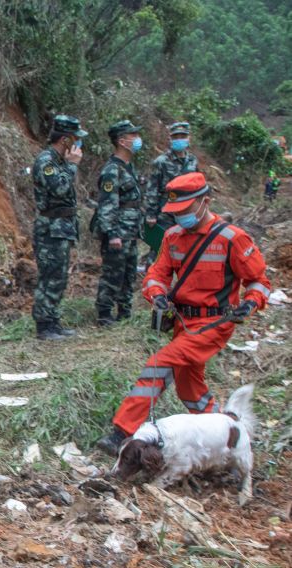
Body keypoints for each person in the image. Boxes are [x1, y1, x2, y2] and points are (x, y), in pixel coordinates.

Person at [96, 172, 271, 455]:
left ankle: (121, 433)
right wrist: (158, 296)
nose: (180, 218)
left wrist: (250, 303)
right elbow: (156, 274)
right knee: (189, 389)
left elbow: (259, 281)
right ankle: (228, 432)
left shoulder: (232, 239)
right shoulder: (172, 236)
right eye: (175, 212)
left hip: (214, 323)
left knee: (159, 364)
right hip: (182, 322)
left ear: (205, 202)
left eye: (185, 211)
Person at [30, 114, 86, 340]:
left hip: (61, 227)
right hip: (50, 229)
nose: (78, 144)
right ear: (65, 140)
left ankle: (53, 320)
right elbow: (60, 189)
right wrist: (72, 166)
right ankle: (44, 325)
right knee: (50, 276)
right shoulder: (46, 162)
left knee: (59, 276)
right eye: (75, 138)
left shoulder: (58, 161)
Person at [93, 120, 144, 327]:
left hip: (130, 231)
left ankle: (124, 311)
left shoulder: (128, 167)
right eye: (133, 136)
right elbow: (107, 205)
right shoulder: (112, 170)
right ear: (122, 141)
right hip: (118, 231)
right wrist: (112, 233)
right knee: (113, 273)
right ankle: (104, 314)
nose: (138, 140)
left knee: (128, 272)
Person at [142, 122, 198, 267]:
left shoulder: (192, 161)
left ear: (189, 138)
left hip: (188, 213)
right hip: (165, 213)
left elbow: (197, 186)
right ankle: (151, 280)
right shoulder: (161, 162)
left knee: (187, 249)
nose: (180, 139)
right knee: (159, 248)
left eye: (183, 136)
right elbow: (152, 189)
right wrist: (151, 214)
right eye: (176, 136)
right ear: (170, 139)